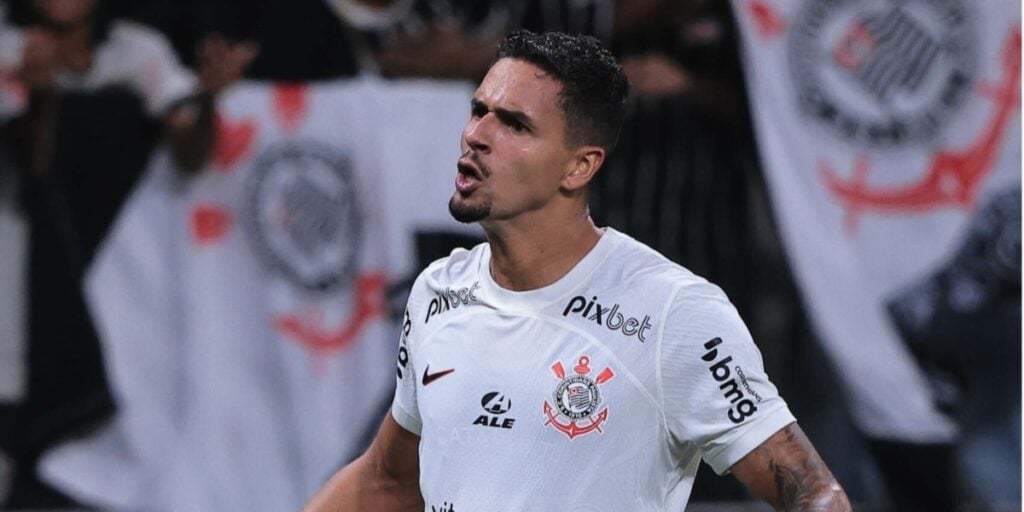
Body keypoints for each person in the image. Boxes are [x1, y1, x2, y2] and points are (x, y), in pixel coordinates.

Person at [304, 30, 851, 511]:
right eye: (478, 110)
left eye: (514, 124)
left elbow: (810, 493)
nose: (477, 135)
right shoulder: (437, 293)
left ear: (579, 166)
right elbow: (386, 482)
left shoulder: (670, 312)